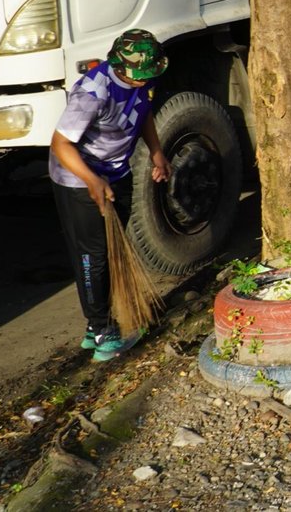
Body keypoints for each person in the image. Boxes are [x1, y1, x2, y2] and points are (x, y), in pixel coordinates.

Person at [49, 29, 171, 362]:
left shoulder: (142, 79)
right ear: (120, 67)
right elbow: (61, 144)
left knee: (113, 247)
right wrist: (91, 180)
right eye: (139, 76)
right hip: (78, 178)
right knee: (93, 256)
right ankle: (101, 330)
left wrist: (157, 152)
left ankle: (99, 325)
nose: (144, 81)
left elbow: (143, 112)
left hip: (116, 172)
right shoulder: (92, 93)